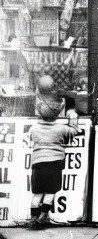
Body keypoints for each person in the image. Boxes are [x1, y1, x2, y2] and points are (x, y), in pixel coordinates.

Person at [28, 75, 80, 229]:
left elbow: (31, 137)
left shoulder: (33, 128)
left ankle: (33, 218)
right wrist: (72, 115)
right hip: (55, 163)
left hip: (37, 163)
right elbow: (74, 131)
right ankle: (44, 216)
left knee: (37, 194)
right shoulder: (61, 128)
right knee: (50, 192)